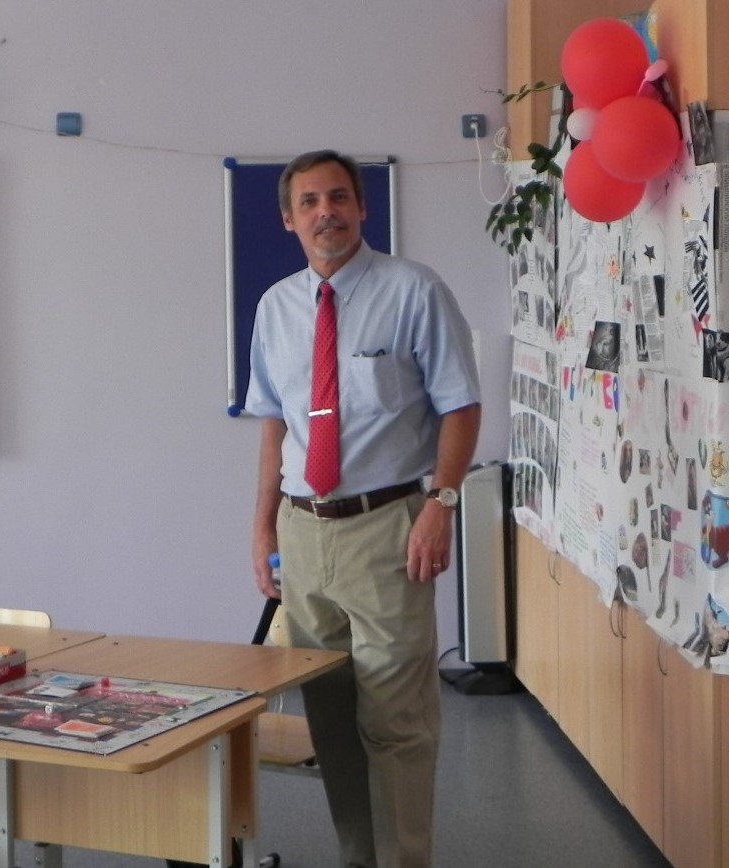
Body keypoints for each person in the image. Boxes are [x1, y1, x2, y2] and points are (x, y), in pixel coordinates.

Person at [245, 149, 481, 868]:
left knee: (396, 720)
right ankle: (358, 857)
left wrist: (441, 504)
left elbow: (461, 405)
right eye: (310, 202)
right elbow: (275, 424)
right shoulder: (276, 307)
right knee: (331, 715)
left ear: (362, 207)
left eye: (339, 197)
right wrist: (261, 526)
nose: (327, 212)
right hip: (303, 531)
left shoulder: (414, 290)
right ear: (289, 220)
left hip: (389, 529)